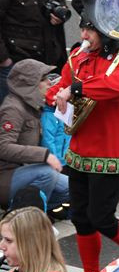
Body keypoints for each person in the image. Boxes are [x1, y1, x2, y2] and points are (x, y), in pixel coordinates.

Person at [49, 18, 119, 272]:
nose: (84, 35)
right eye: (82, 29)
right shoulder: (78, 56)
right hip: (80, 148)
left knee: (102, 217)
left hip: (109, 149)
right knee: (80, 216)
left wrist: (75, 89)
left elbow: (117, 87)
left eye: (89, 30)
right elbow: (61, 85)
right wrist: (54, 94)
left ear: (104, 32)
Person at [0, 59, 69, 214]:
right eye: (43, 80)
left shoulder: (33, 104)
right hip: (6, 175)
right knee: (47, 173)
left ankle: (29, 209)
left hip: (26, 170)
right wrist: (44, 155)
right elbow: (3, 147)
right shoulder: (13, 108)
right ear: (30, 84)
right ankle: (24, 216)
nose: (49, 83)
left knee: (73, 189)